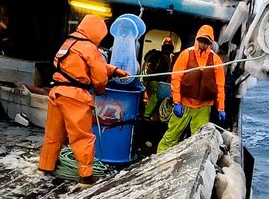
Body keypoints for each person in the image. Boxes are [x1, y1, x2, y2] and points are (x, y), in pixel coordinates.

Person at [38, 15, 129, 187]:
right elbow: (99, 75)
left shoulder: (70, 42)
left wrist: (115, 70)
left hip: (57, 93)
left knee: (53, 135)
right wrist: (101, 89)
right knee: (81, 137)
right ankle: (86, 177)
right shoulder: (89, 47)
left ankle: (45, 166)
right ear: (96, 32)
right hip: (75, 97)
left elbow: (81, 64)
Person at [157, 25, 225, 153]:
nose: (203, 44)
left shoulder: (216, 60)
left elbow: (220, 86)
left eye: (207, 42)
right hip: (184, 103)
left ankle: (193, 167)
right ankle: (158, 159)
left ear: (211, 43)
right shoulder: (186, 54)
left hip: (203, 107)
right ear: (196, 39)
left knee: (199, 140)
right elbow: (176, 79)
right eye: (201, 40)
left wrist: (221, 108)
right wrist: (177, 102)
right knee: (171, 135)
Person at [142, 37, 174, 119]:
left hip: (162, 83)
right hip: (153, 80)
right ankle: (147, 114)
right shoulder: (157, 55)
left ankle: (157, 115)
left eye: (169, 48)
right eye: (166, 47)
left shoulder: (171, 59)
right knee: (156, 96)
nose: (167, 49)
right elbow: (146, 59)